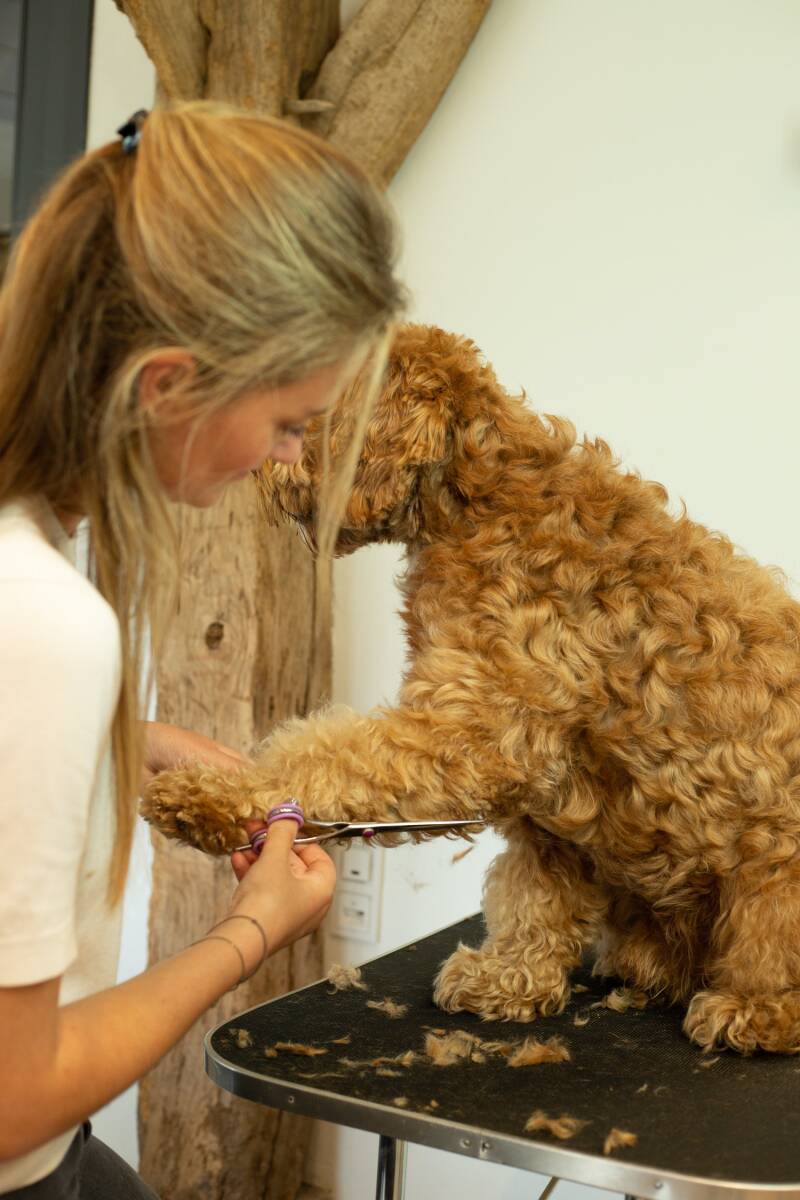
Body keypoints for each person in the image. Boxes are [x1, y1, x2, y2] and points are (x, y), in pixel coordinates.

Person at [0, 102, 405, 1198]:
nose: (287, 457)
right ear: (168, 383)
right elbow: (12, 1101)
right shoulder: (42, 614)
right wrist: (249, 931)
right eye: (289, 421)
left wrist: (132, 742)